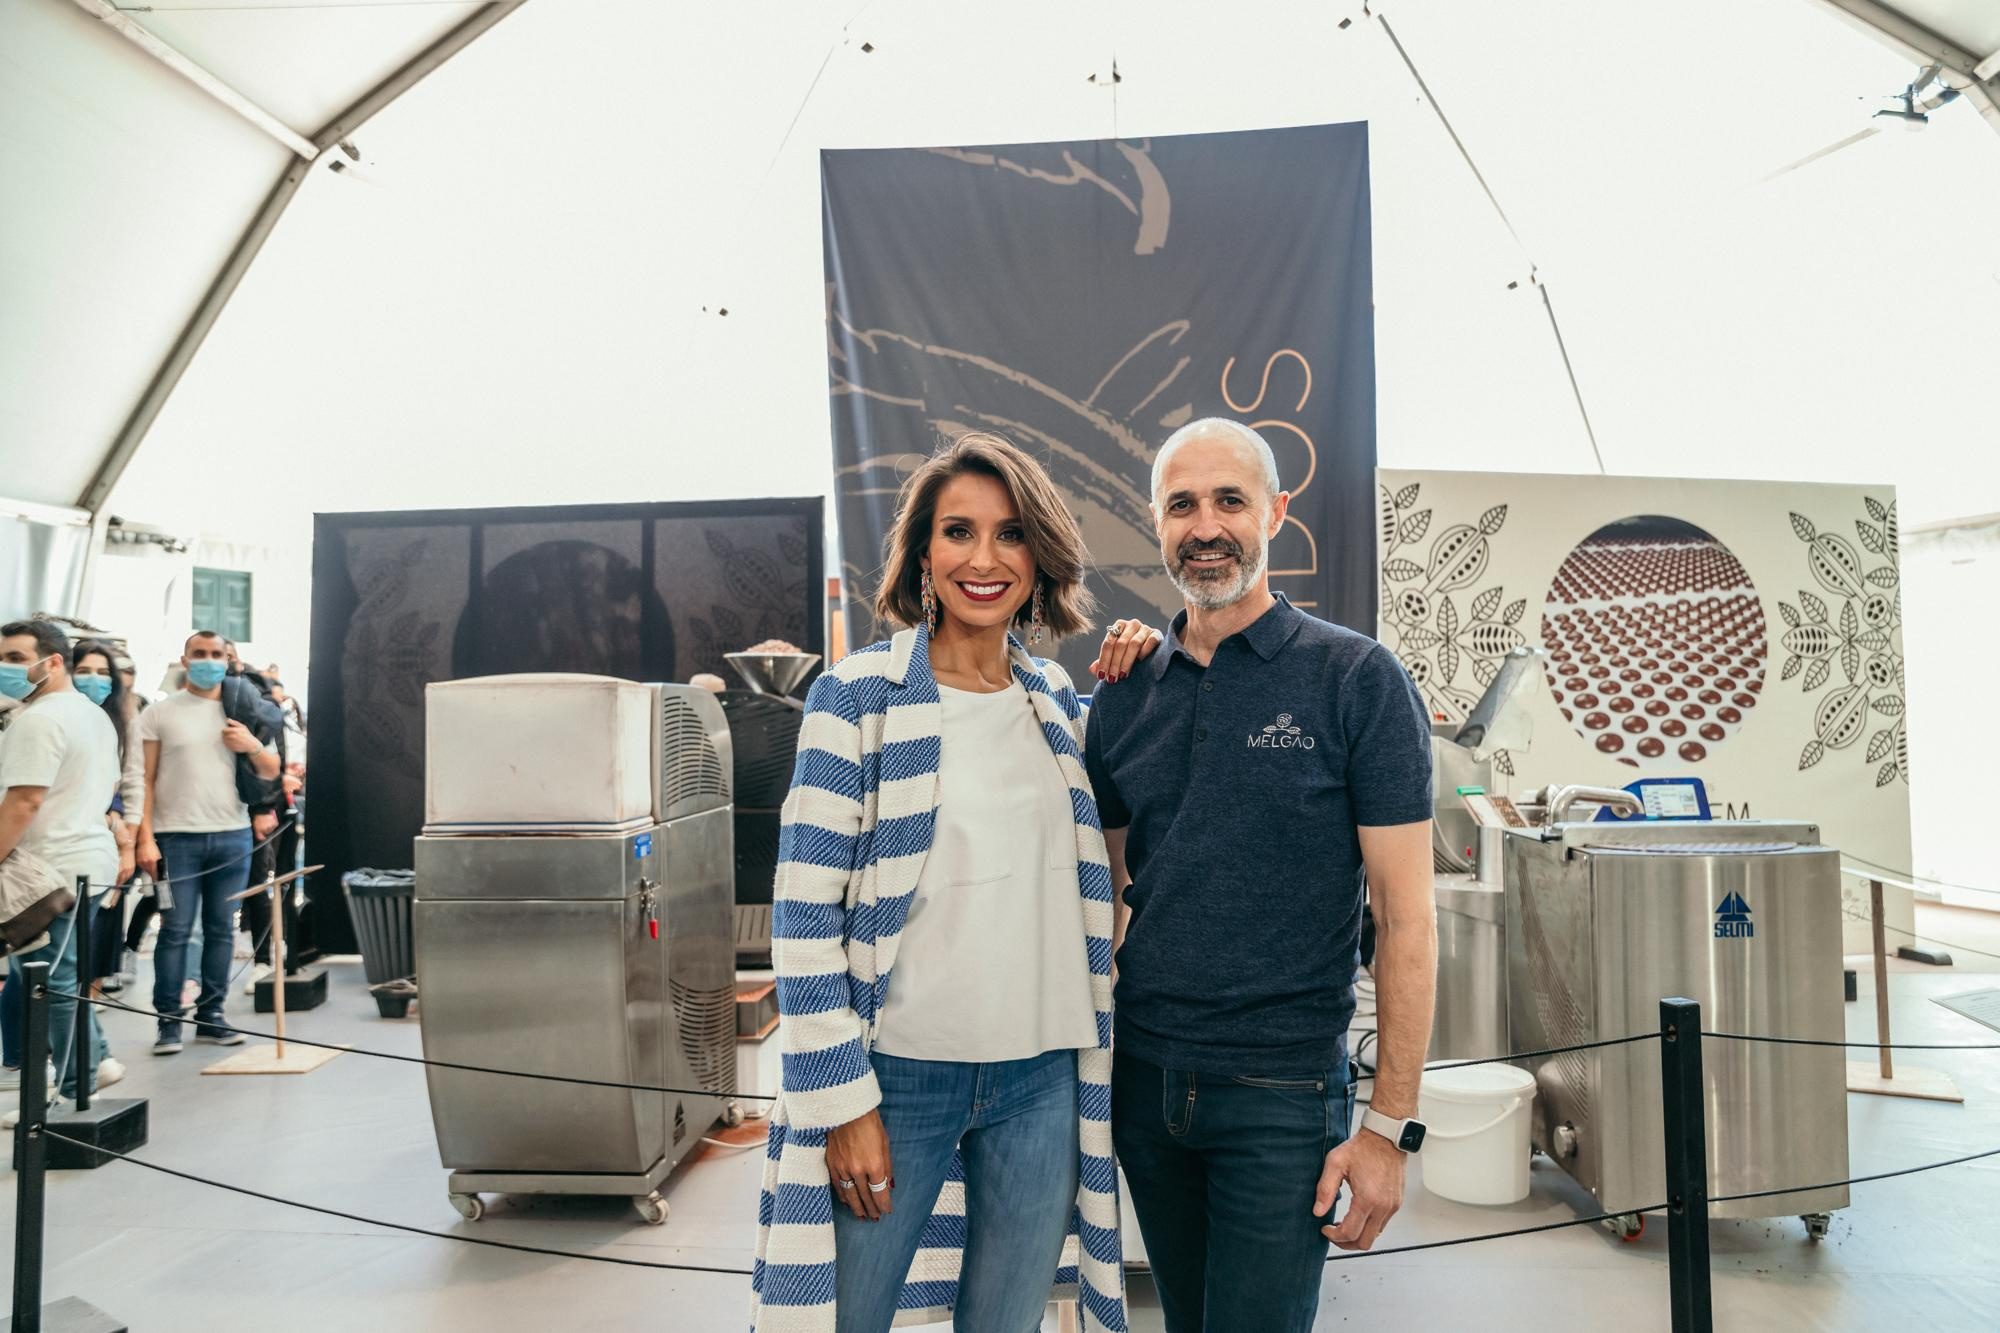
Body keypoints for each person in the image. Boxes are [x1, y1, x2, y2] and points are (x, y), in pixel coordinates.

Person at [750, 432, 1128, 1333]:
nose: (984, 559)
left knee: (1007, 1322)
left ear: (1039, 558)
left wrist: (1143, 650)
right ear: (925, 553)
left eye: (1009, 534)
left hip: (1039, 1077)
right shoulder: (857, 701)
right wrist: (844, 1101)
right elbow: (803, 921)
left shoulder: (1060, 708)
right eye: (959, 531)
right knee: (849, 1317)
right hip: (899, 1078)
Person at [1083, 419, 1437, 1332]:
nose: (1207, 525)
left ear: (1276, 512)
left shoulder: (1356, 678)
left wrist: (1389, 1128)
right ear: (1156, 523)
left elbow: (1407, 922)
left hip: (1281, 1099)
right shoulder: (1124, 691)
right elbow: (1104, 892)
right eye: (1182, 504)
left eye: (1230, 500)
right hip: (1147, 1085)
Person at [134, 630, 281, 1055]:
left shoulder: (243, 709)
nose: (208, 660)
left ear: (228, 658)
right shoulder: (160, 714)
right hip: (175, 837)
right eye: (200, 653)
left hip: (232, 835)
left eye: (216, 654)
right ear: (185, 657)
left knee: (222, 931)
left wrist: (250, 742)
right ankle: (168, 1021)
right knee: (175, 930)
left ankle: (212, 1015)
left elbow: (271, 770)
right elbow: (141, 779)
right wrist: (145, 838)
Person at [0, 620, 119, 1111]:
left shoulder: (40, 719)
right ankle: (95, 1065)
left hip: (51, 873)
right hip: (78, 864)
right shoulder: (91, 715)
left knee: (50, 985)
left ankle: (76, 1090)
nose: (5, 667)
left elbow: (24, 801)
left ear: (51, 662)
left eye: (13, 657)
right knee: (54, 979)